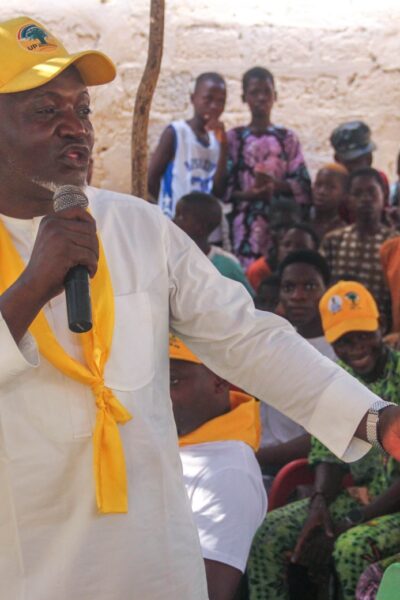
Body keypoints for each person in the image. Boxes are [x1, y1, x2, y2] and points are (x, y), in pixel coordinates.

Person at [2, 16, 400, 600]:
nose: (76, 127)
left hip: (154, 563)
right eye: (45, 110)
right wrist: (31, 288)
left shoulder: (138, 227)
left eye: (82, 109)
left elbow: (244, 336)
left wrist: (374, 417)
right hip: (29, 567)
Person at [248, 281, 400, 600]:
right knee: (269, 532)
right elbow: (327, 453)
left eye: (363, 335)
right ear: (331, 342)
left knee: (351, 547)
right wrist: (319, 507)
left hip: (390, 505)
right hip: (360, 498)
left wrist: (352, 521)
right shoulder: (338, 378)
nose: (356, 347)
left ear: (381, 325)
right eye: (344, 340)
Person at [169, 335, 267, 600]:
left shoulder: (228, 473)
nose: (158, 395)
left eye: (173, 382)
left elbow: (207, 592)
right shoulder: (169, 441)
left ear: (220, 380)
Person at [221, 66, 311, 267]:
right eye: (254, 93)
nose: (261, 98)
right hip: (245, 224)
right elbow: (224, 189)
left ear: (275, 96)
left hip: (281, 223)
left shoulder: (287, 138)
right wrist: (250, 194)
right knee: (246, 273)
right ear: (244, 98)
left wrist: (275, 186)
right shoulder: (234, 138)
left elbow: (303, 183)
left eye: (266, 92)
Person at [256, 251, 337, 478]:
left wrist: (255, 457)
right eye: (289, 288)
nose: (298, 296)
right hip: (257, 459)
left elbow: (325, 437)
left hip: (299, 470)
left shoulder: (339, 353)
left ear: (327, 291)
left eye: (309, 287)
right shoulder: (274, 340)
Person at [320, 167, 398, 320]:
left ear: (384, 195)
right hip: (338, 323)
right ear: (348, 200)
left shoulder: (394, 244)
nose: (366, 199)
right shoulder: (333, 241)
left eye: (371, 192)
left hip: (381, 325)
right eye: (357, 193)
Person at [147, 71, 227, 220]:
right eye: (208, 99)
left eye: (221, 101)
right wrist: (167, 208)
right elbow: (151, 179)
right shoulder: (176, 132)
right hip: (175, 222)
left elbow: (218, 189)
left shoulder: (217, 140)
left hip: (205, 227)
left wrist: (224, 144)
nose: (214, 106)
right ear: (193, 98)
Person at [173, 192, 254, 295]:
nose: (173, 221)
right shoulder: (170, 258)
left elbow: (248, 300)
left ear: (201, 227)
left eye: (181, 217)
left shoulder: (227, 266)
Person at [247, 222, 319, 293]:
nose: (291, 250)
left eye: (300, 247)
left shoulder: (319, 279)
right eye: (286, 245)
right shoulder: (259, 272)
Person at [310, 163, 348, 240]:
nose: (321, 191)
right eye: (318, 184)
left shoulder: (343, 232)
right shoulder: (301, 220)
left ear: (344, 195)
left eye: (331, 187)